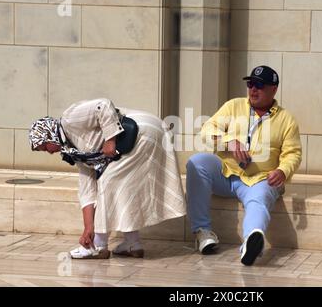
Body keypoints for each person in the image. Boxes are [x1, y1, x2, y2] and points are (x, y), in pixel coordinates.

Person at [29, 98, 186, 259]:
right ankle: (132, 244)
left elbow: (102, 105)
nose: (48, 152)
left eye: (44, 146)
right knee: (123, 189)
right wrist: (88, 227)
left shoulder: (70, 119)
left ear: (48, 134)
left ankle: (97, 246)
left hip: (144, 130)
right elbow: (87, 189)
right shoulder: (75, 151)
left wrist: (110, 139)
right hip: (146, 134)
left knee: (107, 181)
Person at [186, 66, 302, 266]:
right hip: (225, 172)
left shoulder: (286, 119)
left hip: (260, 179)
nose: (253, 90)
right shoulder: (233, 106)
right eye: (250, 84)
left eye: (259, 85)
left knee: (260, 199)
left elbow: (293, 153)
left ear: (273, 89)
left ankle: (251, 241)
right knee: (196, 163)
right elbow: (207, 131)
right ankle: (203, 233)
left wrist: (283, 170)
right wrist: (228, 141)